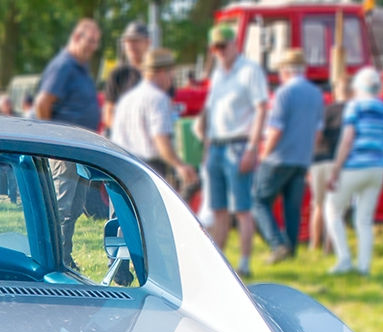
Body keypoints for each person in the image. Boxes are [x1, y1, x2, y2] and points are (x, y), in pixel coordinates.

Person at [195, 23, 268, 277]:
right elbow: (212, 111)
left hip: (238, 144)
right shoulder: (217, 75)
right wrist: (205, 144)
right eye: (215, 48)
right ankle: (221, 264)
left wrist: (252, 147)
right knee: (218, 209)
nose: (219, 52)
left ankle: (245, 262)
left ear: (234, 45)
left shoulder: (250, 71)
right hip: (216, 145)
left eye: (222, 47)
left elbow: (261, 108)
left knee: (242, 209)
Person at [35, 19, 103, 260]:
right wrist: (54, 139)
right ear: (76, 37)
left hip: (80, 149)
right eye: (89, 41)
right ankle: (55, 258)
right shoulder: (63, 66)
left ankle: (65, 255)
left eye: (95, 43)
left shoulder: (80, 68)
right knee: (62, 208)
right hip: (65, 149)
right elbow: (43, 103)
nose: (92, 47)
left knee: (74, 208)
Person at [252, 48, 324, 263]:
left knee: (258, 200)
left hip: (279, 157)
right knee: (292, 208)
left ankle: (277, 244)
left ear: (285, 70)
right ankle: (291, 250)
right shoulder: (316, 94)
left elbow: (276, 129)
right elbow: (318, 132)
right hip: (302, 158)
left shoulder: (284, 93)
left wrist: (264, 154)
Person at [325, 67, 383, 275]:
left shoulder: (354, 107)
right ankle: (364, 267)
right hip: (378, 167)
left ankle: (344, 259)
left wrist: (336, 169)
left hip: (355, 165)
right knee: (364, 219)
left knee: (332, 209)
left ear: (358, 87)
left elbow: (347, 139)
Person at [109, 48, 197, 192]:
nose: (172, 79)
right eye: (171, 73)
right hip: (147, 170)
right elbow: (160, 140)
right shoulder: (158, 99)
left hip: (121, 168)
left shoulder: (127, 99)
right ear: (162, 72)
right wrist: (180, 165)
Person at [308, 76, 349, 252]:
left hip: (318, 160)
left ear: (335, 92)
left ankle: (314, 245)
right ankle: (330, 247)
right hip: (338, 163)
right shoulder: (353, 112)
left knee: (318, 206)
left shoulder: (326, 110)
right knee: (336, 209)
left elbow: (314, 135)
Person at [101, 64, 141, 136]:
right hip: (120, 137)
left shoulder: (157, 77)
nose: (133, 52)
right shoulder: (119, 73)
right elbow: (108, 112)